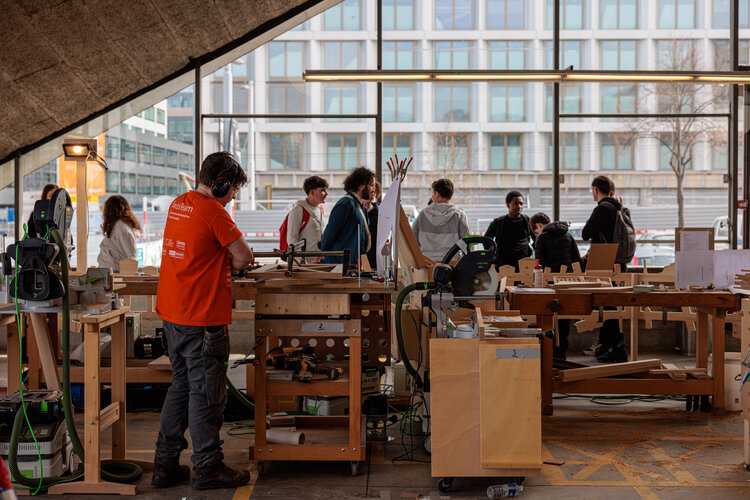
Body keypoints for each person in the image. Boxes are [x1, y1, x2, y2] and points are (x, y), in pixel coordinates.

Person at [153, 152, 253, 490]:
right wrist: (226, 259)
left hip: (174, 315)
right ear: (220, 185)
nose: (233, 196)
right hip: (201, 318)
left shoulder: (179, 204)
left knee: (181, 387)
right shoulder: (213, 210)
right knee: (206, 394)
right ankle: (208, 467)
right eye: (234, 188)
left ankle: (165, 464)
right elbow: (243, 257)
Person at [582, 175, 630, 363]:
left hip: (604, 262)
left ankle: (615, 346)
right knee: (611, 302)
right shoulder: (620, 208)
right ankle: (608, 344)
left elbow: (586, 233)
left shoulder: (602, 208)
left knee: (607, 303)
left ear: (595, 190)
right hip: (619, 261)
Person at [530, 212, 581, 360]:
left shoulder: (542, 238)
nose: (537, 234)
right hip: (567, 282)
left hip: (549, 283)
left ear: (538, 226)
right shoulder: (568, 235)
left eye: (536, 231)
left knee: (548, 316)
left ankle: (550, 353)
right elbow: (577, 260)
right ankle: (562, 352)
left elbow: (540, 263)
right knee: (564, 317)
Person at [319, 166, 374, 267]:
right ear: (362, 185)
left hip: (353, 262)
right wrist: (323, 251)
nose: (373, 189)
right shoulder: (346, 204)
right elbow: (330, 232)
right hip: (340, 263)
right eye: (371, 185)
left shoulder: (359, 205)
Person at [411, 178, 471, 261]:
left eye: (433, 193)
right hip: (451, 264)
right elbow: (467, 244)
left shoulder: (422, 215)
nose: (432, 197)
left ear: (437, 194)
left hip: (426, 263)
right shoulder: (460, 216)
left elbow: (412, 242)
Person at [485, 191, 533, 270]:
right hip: (503, 264)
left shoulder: (527, 221)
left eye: (521, 204)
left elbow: (537, 239)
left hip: (524, 265)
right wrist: (493, 256)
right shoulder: (498, 223)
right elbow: (486, 241)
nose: (519, 206)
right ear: (508, 204)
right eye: (516, 203)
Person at [286, 175, 328, 257]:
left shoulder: (320, 209)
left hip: (318, 260)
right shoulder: (298, 209)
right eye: (323, 190)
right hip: (303, 261)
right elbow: (292, 238)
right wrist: (301, 260)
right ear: (312, 192)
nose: (326, 193)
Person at [97, 195, 141, 272]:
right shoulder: (119, 227)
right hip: (112, 268)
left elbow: (130, 256)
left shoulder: (121, 228)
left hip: (113, 269)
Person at [365, 180, 382, 269]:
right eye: (370, 192)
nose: (372, 194)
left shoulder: (379, 211)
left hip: (376, 253)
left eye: (374, 192)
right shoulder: (357, 210)